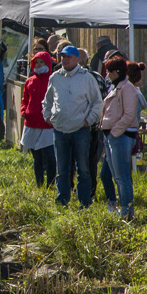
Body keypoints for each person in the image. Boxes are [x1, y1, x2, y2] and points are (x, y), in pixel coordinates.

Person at [43, 45, 101, 208]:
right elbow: (47, 100)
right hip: (60, 129)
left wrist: (88, 120)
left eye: (68, 56)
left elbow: (97, 102)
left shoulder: (87, 78)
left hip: (80, 129)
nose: (65, 59)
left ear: (77, 59)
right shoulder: (55, 77)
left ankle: (85, 201)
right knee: (62, 168)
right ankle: (62, 201)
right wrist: (47, 116)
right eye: (62, 56)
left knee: (83, 168)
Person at [100, 57, 141, 220]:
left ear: (117, 72)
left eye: (109, 71)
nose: (107, 75)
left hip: (121, 137)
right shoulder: (116, 87)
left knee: (123, 176)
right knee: (117, 175)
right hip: (112, 136)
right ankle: (123, 208)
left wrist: (114, 132)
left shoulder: (127, 88)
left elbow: (129, 114)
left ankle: (127, 210)